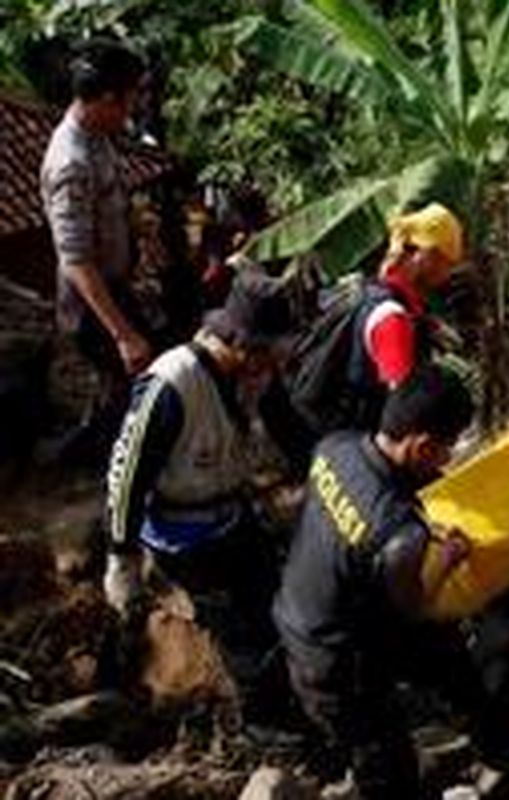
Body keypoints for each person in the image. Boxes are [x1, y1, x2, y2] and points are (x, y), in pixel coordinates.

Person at [273, 366, 483, 798]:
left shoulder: (335, 447)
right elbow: (415, 605)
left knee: (446, 655)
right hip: (335, 664)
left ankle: (465, 716)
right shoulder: (398, 533)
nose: (447, 459)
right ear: (422, 445)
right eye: (446, 449)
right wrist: (448, 558)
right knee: (386, 766)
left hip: (295, 616)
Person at [102, 269, 298, 629]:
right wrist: (122, 558)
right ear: (242, 344)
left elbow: (287, 424)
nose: (273, 365)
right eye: (267, 353)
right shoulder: (173, 384)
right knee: (235, 631)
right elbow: (127, 476)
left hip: (231, 511)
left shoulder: (253, 373)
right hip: (182, 534)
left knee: (273, 596)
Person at [41, 38, 154, 463]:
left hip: (114, 287)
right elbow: (76, 262)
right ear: (108, 98)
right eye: (130, 97)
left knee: (122, 386)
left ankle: (96, 450)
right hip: (91, 303)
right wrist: (123, 335)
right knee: (132, 378)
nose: (133, 108)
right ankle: (98, 462)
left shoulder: (98, 137)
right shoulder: (71, 162)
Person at [287, 203, 465, 446]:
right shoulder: (392, 319)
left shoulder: (369, 290)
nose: (447, 272)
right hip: (357, 442)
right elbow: (403, 407)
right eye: (446, 262)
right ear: (424, 255)